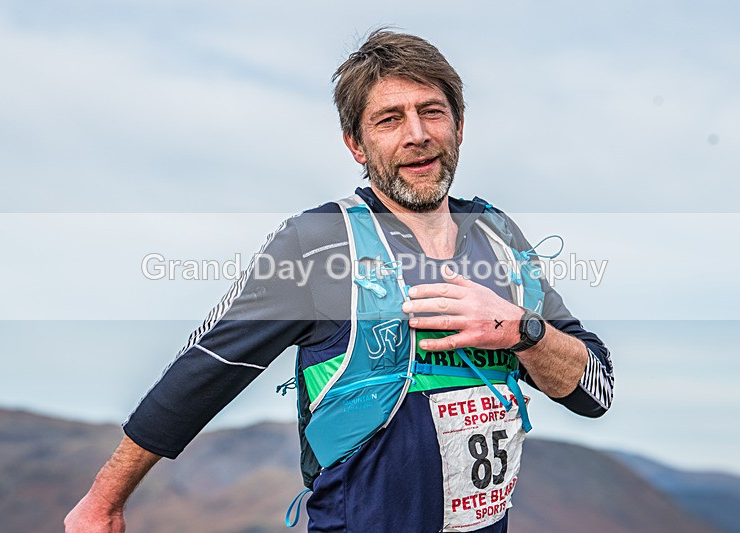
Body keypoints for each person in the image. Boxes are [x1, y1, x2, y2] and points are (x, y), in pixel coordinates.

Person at [65, 29, 614, 532]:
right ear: (356, 143)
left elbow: (596, 390)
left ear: (459, 127)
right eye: (389, 119)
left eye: (432, 112)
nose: (417, 135)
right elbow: (208, 369)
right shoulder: (320, 242)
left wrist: (522, 330)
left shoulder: (500, 238)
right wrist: (103, 501)